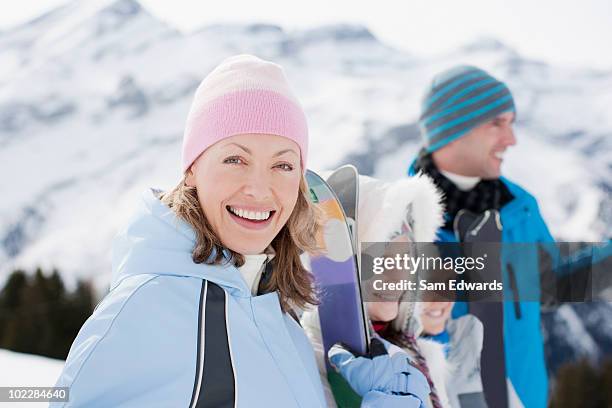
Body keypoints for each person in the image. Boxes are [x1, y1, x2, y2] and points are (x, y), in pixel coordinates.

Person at [50, 55, 431, 407]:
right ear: (193, 168)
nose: (260, 188)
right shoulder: (150, 307)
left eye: (282, 166)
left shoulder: (278, 317)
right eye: (235, 159)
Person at [408, 65, 554, 408]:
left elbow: (556, 279)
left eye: (511, 123)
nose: (511, 139)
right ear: (455, 131)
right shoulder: (401, 223)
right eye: (497, 123)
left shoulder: (521, 208)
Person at [302, 173, 448, 407]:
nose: (398, 276)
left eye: (406, 261)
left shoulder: (421, 359)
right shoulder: (304, 361)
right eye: (382, 260)